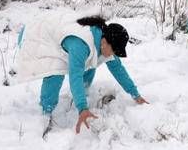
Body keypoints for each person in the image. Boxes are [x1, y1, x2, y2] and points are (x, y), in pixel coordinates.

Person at [14, 12, 148, 133]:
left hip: (56, 31)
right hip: (36, 33)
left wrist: (135, 94)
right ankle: (45, 111)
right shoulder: (81, 45)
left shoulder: (105, 40)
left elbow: (119, 70)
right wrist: (82, 108)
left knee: (91, 63)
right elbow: (75, 76)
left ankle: (81, 93)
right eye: (113, 50)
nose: (113, 55)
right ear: (105, 42)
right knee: (56, 71)